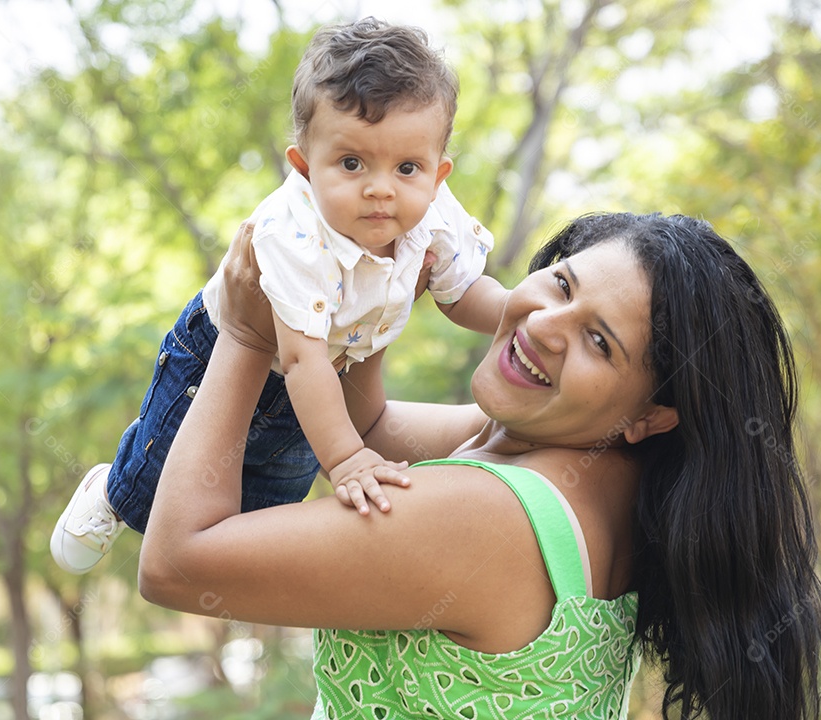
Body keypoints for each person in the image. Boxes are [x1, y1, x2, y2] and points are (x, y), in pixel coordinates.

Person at [138, 214, 821, 719]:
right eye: (561, 285)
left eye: (598, 341)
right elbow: (370, 431)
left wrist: (247, 334)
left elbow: (178, 563)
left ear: (651, 414)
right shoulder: (583, 468)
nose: (542, 325)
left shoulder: (491, 518)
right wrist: (376, 304)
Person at [50, 17, 509, 575]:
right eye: (351, 163)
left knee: (264, 506)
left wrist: (524, 315)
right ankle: (115, 486)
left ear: (438, 175)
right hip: (229, 351)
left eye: (407, 167)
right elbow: (298, 358)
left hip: (321, 371)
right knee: (161, 484)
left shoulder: (432, 212)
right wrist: (345, 460)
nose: (381, 187)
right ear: (304, 167)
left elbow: (463, 295)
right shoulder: (291, 232)